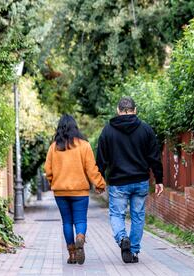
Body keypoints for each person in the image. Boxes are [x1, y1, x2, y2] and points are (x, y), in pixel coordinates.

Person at [97, 97, 164, 264]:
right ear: (135, 110)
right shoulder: (146, 130)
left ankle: (122, 239)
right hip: (140, 180)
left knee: (116, 214)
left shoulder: (108, 131)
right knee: (138, 216)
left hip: (118, 182)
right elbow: (154, 157)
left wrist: (99, 179)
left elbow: (101, 160)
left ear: (118, 110)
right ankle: (133, 251)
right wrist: (159, 179)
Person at [44, 114, 106, 265]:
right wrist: (100, 184)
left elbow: (48, 170)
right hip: (80, 191)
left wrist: (54, 182)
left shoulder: (54, 147)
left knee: (66, 222)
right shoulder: (84, 145)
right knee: (80, 220)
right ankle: (80, 237)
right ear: (75, 127)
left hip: (60, 192)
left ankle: (72, 254)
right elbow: (91, 168)